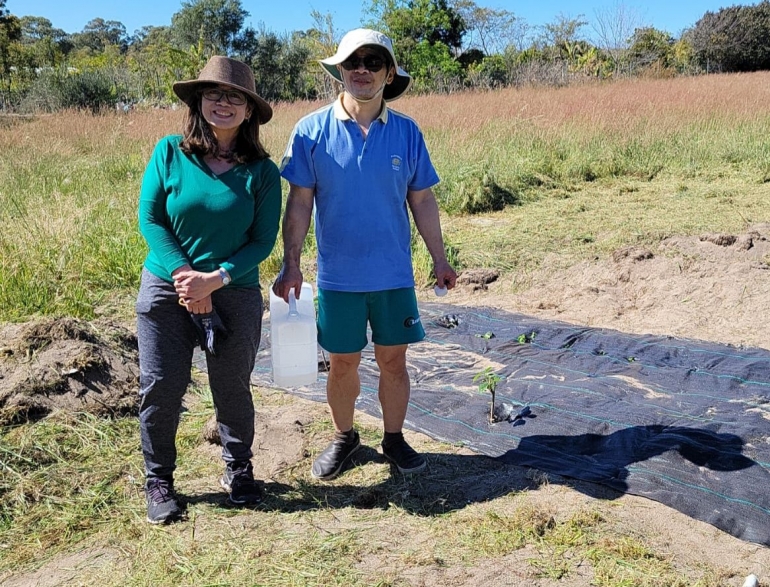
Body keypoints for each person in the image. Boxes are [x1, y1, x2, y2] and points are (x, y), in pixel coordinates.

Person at [273, 29, 457, 481]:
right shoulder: (311, 130)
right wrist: (291, 263)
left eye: (373, 62)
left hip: (393, 274)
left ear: (388, 73)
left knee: (394, 360)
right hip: (339, 277)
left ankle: (393, 438)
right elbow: (299, 202)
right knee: (343, 362)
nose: (361, 69)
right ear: (339, 69)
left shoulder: (407, 132)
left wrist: (440, 257)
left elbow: (422, 200)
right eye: (353, 61)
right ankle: (344, 438)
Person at [136, 56, 281, 523]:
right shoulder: (168, 152)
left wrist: (214, 279)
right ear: (199, 101)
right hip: (166, 290)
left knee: (233, 387)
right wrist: (186, 278)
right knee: (161, 387)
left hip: (234, 293)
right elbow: (151, 218)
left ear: (248, 111)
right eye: (215, 94)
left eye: (235, 97)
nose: (224, 103)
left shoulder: (261, 171)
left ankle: (239, 469)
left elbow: (262, 240)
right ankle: (159, 481)